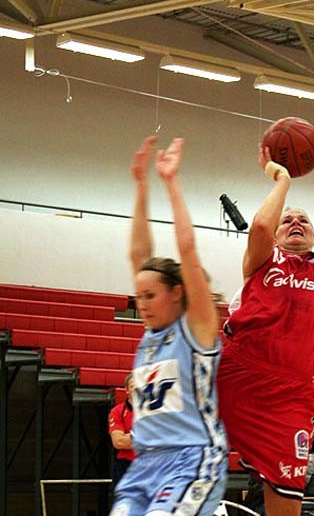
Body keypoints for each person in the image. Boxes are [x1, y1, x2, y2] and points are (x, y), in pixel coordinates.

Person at [217, 118, 314, 516]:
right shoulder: (261, 261)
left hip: (288, 396)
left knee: (284, 506)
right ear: (277, 236)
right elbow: (261, 224)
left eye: (304, 220)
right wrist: (282, 178)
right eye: (288, 220)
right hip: (234, 373)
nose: (295, 222)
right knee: (180, 464)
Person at [110, 136, 228, 516]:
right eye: (138, 297)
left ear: (177, 292)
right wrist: (141, 186)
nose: (141, 304)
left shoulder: (196, 330)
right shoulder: (150, 337)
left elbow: (187, 249)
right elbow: (138, 255)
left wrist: (170, 183)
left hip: (192, 460)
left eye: (150, 296)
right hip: (144, 465)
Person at [108, 373, 137, 488]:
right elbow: (119, 442)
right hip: (126, 466)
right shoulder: (117, 411)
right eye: (133, 386)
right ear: (127, 390)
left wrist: (129, 436)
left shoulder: (157, 412)